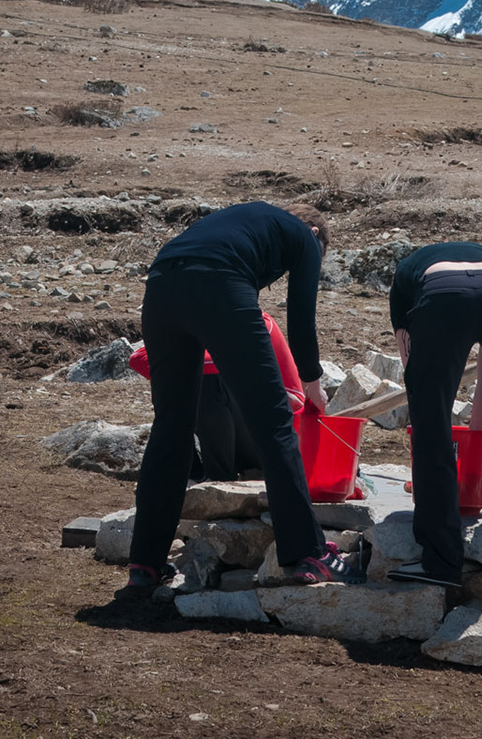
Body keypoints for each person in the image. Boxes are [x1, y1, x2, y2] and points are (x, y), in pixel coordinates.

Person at [129, 201, 350, 593]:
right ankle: (308, 552)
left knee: (172, 428)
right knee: (274, 422)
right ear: (314, 235)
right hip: (218, 283)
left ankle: (145, 563)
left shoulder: (246, 220)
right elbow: (301, 321)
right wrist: (313, 382)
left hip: (162, 283)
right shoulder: (304, 238)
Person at [384, 241, 482, 586]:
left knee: (430, 420)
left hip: (442, 298)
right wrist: (477, 431)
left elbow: (411, 364)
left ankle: (441, 561)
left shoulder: (404, 280)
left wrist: (435, 410)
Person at [128, 310, 308, 481]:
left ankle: (218, 477)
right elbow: (137, 358)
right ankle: (197, 472)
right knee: (179, 378)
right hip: (233, 418)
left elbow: (295, 399)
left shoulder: (259, 321)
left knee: (208, 379)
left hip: (271, 433)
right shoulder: (200, 323)